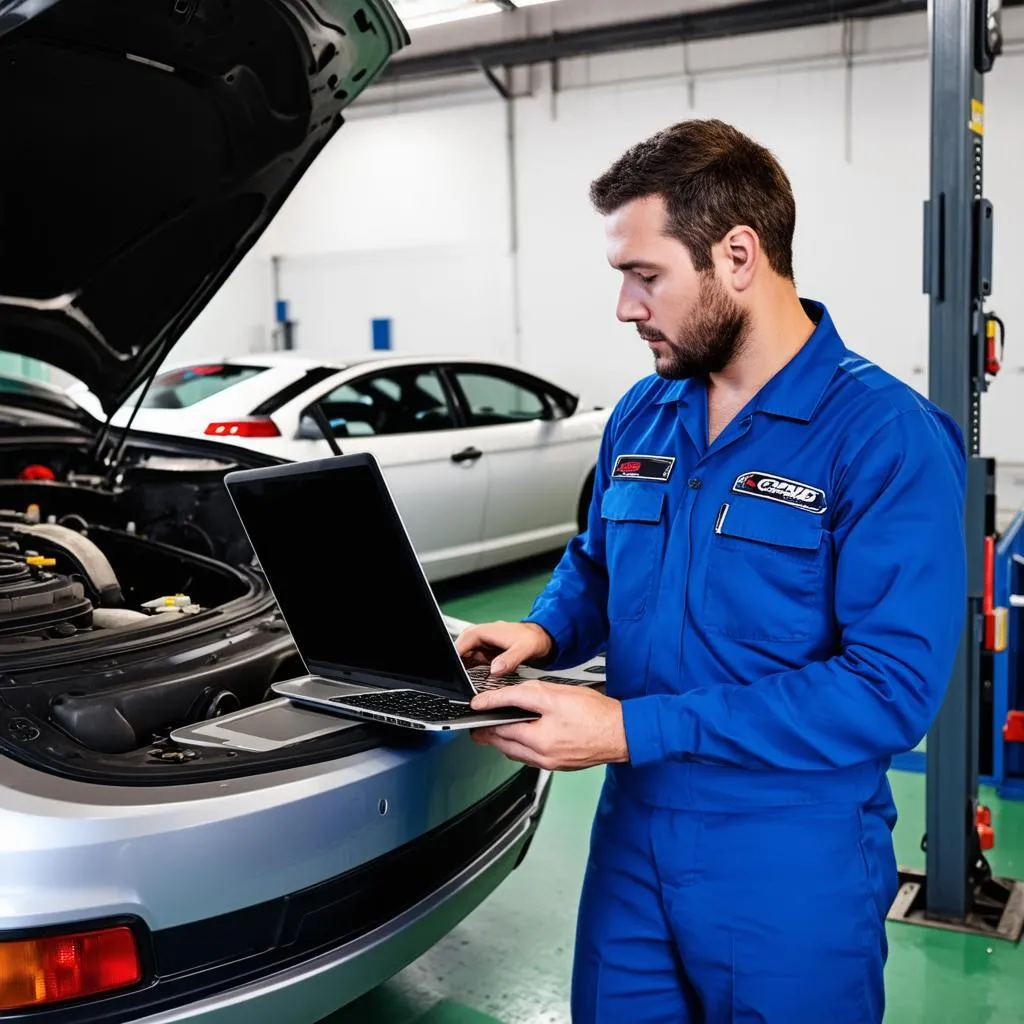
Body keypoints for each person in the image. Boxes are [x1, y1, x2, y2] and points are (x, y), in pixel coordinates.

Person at [455, 119, 967, 1024]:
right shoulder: (645, 415)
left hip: (790, 855)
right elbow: (598, 562)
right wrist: (541, 629)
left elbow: (889, 691)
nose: (624, 306)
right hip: (634, 837)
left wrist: (631, 728)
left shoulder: (885, 437)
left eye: (645, 275)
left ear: (738, 254)